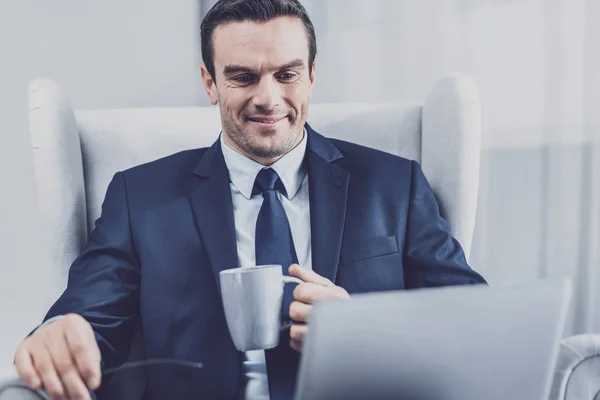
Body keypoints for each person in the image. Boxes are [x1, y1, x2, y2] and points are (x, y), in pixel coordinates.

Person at [13, 0, 487, 399]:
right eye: (242, 76)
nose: (268, 97)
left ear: (311, 76)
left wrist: (365, 333)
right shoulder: (140, 197)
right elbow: (87, 319)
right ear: (209, 82)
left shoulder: (393, 183)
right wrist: (56, 337)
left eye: (286, 74)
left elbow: (475, 325)